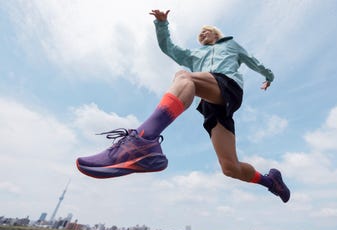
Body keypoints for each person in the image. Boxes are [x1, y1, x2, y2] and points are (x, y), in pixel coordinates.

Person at [76, 10, 290, 203]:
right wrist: (162, 25)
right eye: (200, 35)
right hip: (210, 104)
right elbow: (169, 48)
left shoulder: (230, 45)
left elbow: (253, 61)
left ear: (216, 33)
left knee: (184, 77)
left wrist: (268, 76)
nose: (202, 35)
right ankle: (271, 182)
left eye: (206, 32)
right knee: (230, 168)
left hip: (228, 86)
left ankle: (143, 140)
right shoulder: (193, 55)